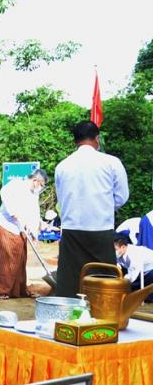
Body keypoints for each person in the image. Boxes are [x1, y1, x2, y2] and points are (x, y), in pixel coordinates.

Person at [55, 121, 129, 297]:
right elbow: (122, 196)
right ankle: (101, 311)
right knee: (103, 279)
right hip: (100, 229)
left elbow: (62, 199)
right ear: (97, 138)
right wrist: (103, 208)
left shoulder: (62, 166)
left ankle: (70, 312)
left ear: (75, 141)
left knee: (71, 281)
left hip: (71, 231)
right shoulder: (111, 162)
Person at [0, 170, 47, 299]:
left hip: (21, 229)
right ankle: (1, 290)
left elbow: (34, 215)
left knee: (20, 259)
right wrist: (13, 212)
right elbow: (4, 193)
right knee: (6, 259)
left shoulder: (34, 195)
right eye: (41, 185)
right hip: (6, 225)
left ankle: (18, 289)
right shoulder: (16, 184)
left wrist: (34, 233)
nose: (41, 188)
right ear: (35, 180)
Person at [114, 234, 153, 300]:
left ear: (123, 247)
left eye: (115, 249)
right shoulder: (121, 252)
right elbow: (118, 264)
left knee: (132, 287)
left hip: (149, 269)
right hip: (142, 270)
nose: (114, 252)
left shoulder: (134, 254)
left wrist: (122, 281)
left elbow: (133, 275)